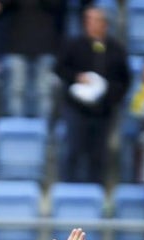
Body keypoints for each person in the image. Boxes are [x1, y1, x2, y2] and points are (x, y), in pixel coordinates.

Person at [55, 6, 130, 185]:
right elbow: (59, 68)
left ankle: (95, 191)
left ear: (105, 24)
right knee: (73, 151)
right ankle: (68, 188)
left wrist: (108, 93)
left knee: (98, 155)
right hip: (76, 109)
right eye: (88, 20)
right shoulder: (73, 44)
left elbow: (124, 80)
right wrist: (76, 77)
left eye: (95, 20)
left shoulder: (116, 49)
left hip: (103, 111)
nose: (91, 24)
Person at [1, 0, 65, 119]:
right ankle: (16, 127)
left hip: (45, 45)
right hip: (18, 44)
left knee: (44, 91)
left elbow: (56, 5)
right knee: (15, 90)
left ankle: (42, 129)